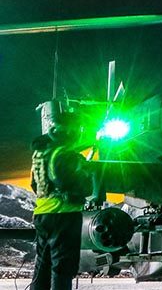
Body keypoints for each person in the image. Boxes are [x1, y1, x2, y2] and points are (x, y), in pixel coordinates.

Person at [29, 114, 93, 290]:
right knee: (63, 267)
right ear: (70, 129)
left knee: (42, 266)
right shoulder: (65, 154)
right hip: (64, 215)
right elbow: (79, 186)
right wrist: (85, 173)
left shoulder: (40, 153)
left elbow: (34, 184)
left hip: (43, 213)